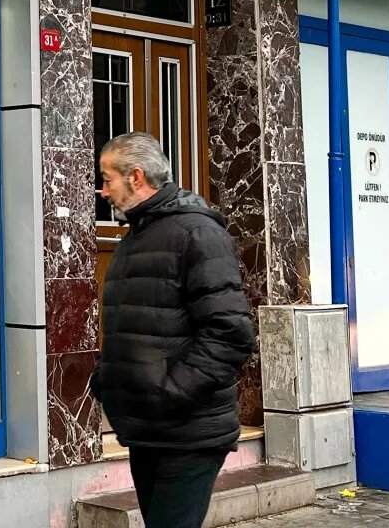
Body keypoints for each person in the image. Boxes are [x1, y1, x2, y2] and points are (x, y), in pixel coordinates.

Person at [91, 132, 255, 528]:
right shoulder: (138, 235)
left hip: (187, 430)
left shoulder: (197, 233)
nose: (102, 191)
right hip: (148, 426)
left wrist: (169, 390)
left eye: (107, 178)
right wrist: (111, 382)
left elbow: (230, 334)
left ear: (135, 177)